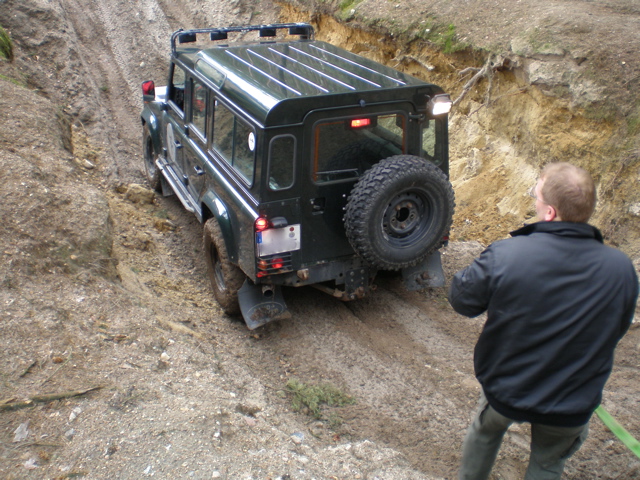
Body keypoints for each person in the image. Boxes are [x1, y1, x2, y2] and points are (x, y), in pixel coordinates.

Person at [448, 162, 639, 480]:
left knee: (484, 432)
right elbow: (616, 330)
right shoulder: (621, 269)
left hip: (507, 387)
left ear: (549, 212)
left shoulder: (507, 255)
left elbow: (462, 302)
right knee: (548, 463)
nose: (534, 201)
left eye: (535, 195)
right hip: (572, 398)